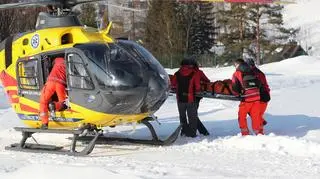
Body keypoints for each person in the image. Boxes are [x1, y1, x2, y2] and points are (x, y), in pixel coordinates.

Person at [231, 58, 263, 136]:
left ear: (237, 64)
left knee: (242, 116)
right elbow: (259, 83)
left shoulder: (237, 73)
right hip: (257, 97)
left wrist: (237, 94)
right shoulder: (251, 70)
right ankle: (258, 133)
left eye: (235, 65)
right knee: (255, 117)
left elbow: (234, 86)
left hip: (246, 98)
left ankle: (245, 134)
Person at [171, 58, 201, 137]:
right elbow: (197, 86)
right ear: (189, 65)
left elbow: (173, 84)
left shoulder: (177, 73)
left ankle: (184, 131)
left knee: (182, 116)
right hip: (190, 99)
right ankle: (192, 133)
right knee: (192, 117)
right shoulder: (194, 73)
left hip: (180, 99)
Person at [39, 57, 67, 129]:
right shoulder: (69, 62)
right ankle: (54, 105)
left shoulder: (57, 60)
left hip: (50, 82)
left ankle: (44, 123)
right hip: (61, 84)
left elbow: (51, 63)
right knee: (63, 103)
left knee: (43, 102)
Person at [246, 58, 270, 126]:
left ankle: (260, 132)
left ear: (251, 65)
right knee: (252, 112)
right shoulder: (252, 72)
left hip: (263, 96)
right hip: (260, 96)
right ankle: (261, 124)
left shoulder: (257, 73)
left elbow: (259, 85)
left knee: (256, 114)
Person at [189, 58, 210, 136]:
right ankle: (190, 131)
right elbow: (207, 81)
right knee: (192, 114)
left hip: (186, 95)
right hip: (197, 95)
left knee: (192, 114)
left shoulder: (184, 72)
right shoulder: (199, 72)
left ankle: (203, 132)